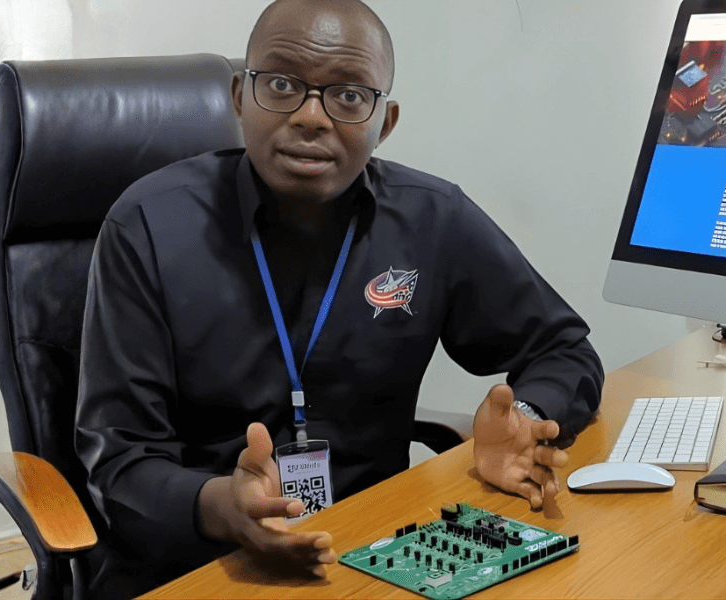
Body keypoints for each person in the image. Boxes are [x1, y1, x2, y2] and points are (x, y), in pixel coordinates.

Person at [73, 1, 603, 598]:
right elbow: (118, 463)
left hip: (375, 556)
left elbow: (564, 349)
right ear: (239, 97)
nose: (310, 117)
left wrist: (526, 417)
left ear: (386, 122)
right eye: (281, 85)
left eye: (349, 96)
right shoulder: (148, 226)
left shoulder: (431, 220)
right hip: (197, 566)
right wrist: (226, 507)